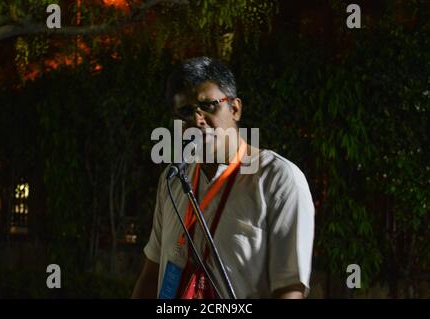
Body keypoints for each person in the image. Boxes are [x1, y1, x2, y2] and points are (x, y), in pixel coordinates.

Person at [132, 56, 314, 299]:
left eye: (208, 106)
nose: (197, 120)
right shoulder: (173, 178)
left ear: (235, 109)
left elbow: (290, 290)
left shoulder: (279, 180)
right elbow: (152, 272)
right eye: (186, 112)